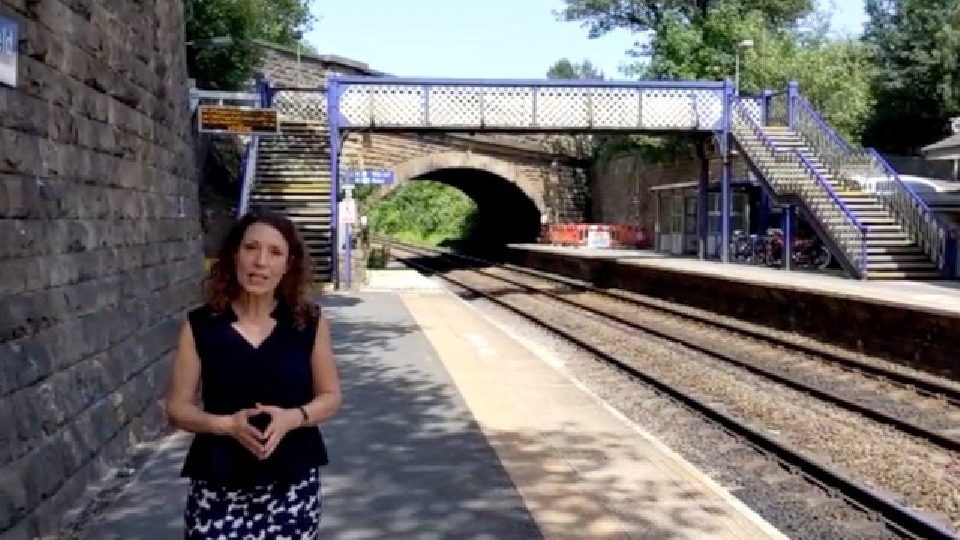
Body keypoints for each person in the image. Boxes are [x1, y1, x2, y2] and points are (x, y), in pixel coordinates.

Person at [164, 212, 342, 539]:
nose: (260, 261)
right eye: (251, 248)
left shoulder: (310, 324)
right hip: (218, 483)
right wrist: (226, 425)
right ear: (235, 254)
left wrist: (293, 417)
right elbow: (178, 408)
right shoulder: (200, 326)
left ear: (288, 265)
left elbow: (330, 397)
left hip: (291, 484)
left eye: (275, 252)